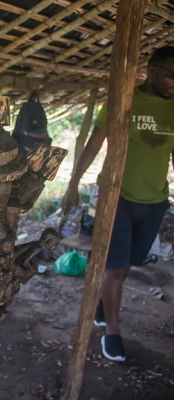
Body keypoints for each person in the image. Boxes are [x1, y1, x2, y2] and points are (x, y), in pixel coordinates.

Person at [62, 46, 174, 362]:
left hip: (154, 201)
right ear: (150, 70)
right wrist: (73, 183)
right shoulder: (123, 101)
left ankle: (103, 305)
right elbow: (95, 143)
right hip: (117, 197)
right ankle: (112, 331)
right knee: (113, 267)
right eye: (169, 74)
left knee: (127, 265)